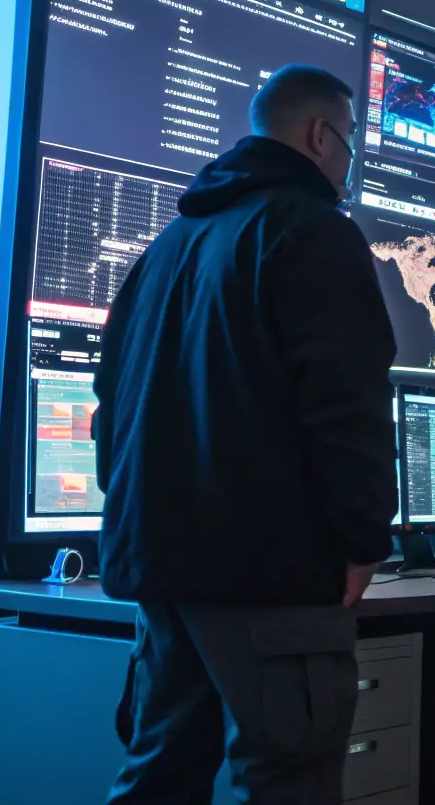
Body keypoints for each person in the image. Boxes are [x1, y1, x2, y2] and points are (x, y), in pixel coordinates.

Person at [94, 66, 399, 803]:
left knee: (157, 775)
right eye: (351, 139)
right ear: (320, 134)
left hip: (161, 568)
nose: (350, 159)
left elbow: (111, 404)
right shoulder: (313, 230)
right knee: (290, 778)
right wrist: (362, 539)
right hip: (270, 573)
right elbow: (345, 403)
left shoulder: (168, 245)